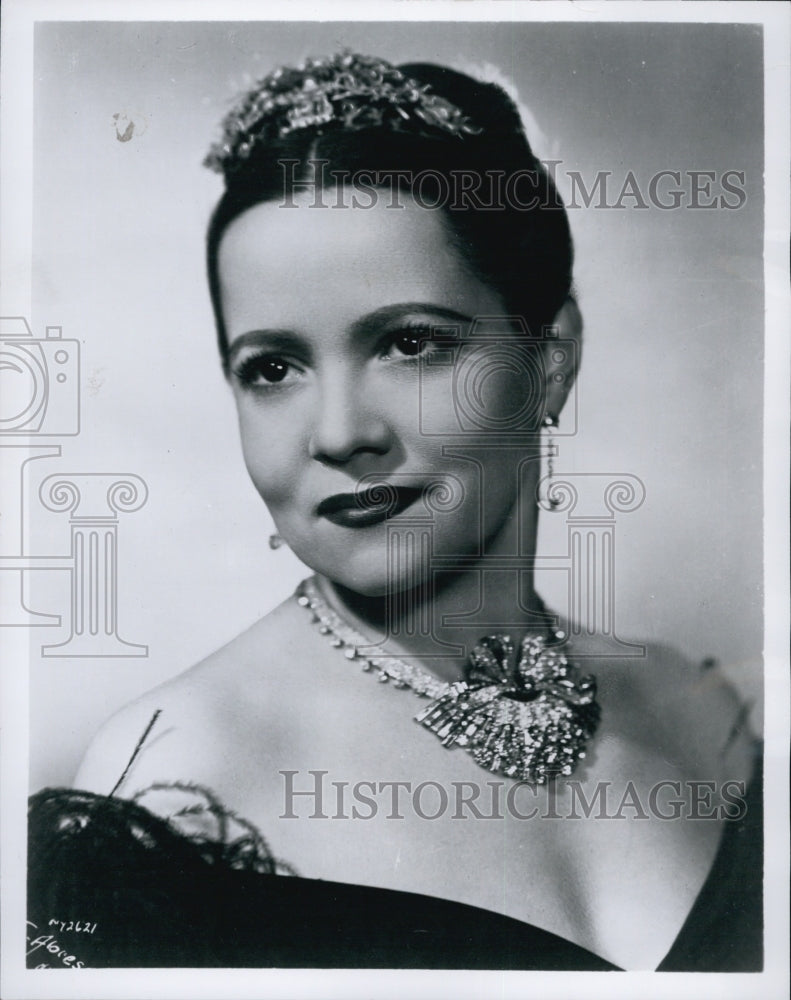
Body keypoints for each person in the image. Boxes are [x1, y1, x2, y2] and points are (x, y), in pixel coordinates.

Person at [27, 52, 761, 972]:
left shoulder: (705, 713)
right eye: (272, 369)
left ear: (549, 359)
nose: (338, 434)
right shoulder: (172, 784)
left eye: (409, 343)